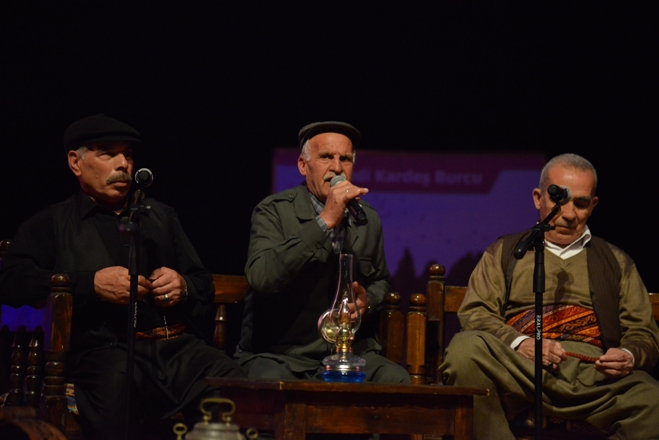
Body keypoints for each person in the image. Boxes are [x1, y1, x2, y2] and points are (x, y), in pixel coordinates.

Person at [0, 114, 246, 439]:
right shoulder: (53, 223)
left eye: (127, 155)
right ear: (75, 162)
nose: (123, 164)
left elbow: (201, 281)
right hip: (102, 353)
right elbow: (11, 279)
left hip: (172, 348)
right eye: (108, 153)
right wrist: (90, 284)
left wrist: (182, 286)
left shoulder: (160, 215)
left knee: (233, 384)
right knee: (118, 388)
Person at [440, 153, 659, 439]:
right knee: (464, 351)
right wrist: (521, 343)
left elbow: (644, 333)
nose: (568, 214)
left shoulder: (615, 261)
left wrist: (627, 355)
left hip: (593, 376)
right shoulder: (505, 252)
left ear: (593, 205)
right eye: (560, 199)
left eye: (581, 203)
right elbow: (476, 313)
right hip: (520, 369)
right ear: (537, 198)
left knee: (653, 401)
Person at [235, 121, 410, 384]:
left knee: (396, 380)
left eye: (345, 159)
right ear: (303, 165)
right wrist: (325, 221)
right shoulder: (273, 211)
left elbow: (380, 281)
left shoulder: (367, 218)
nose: (337, 168)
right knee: (274, 385)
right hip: (281, 354)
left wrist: (367, 301)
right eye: (326, 157)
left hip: (348, 352)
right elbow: (261, 277)